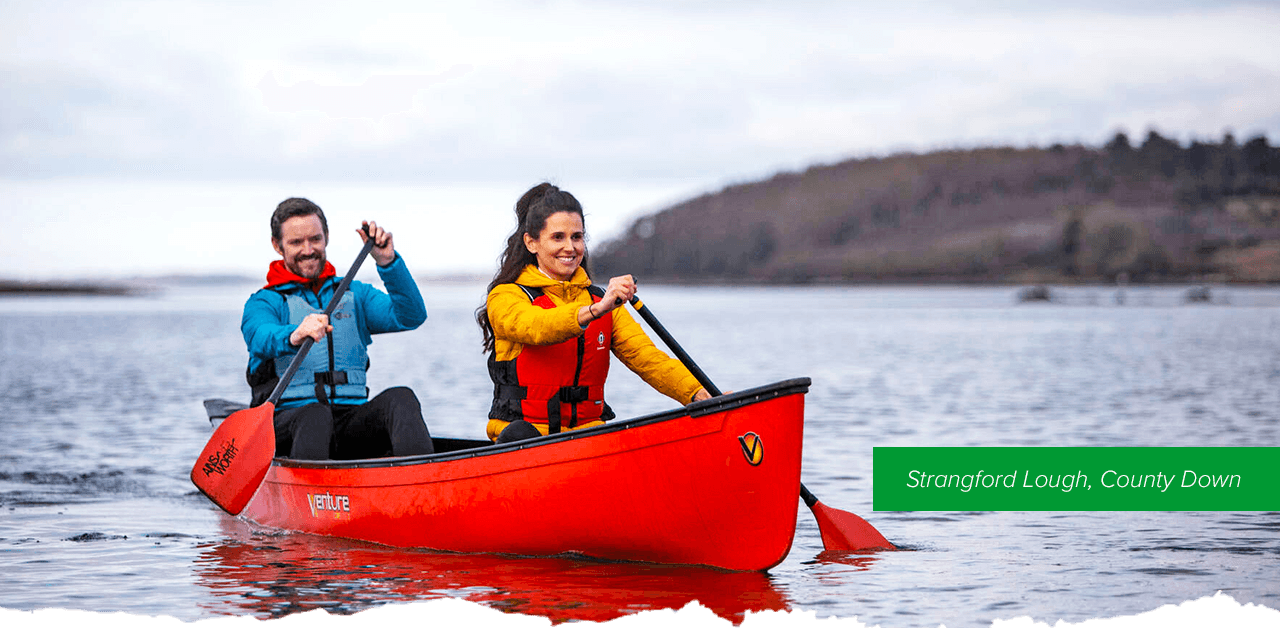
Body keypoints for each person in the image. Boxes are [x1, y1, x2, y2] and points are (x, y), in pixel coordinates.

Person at [476, 183, 712, 443]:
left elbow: (649, 360)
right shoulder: (506, 296)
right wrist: (594, 311)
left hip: (588, 439)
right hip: (526, 442)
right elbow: (537, 326)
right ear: (532, 243)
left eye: (576, 237)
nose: (570, 247)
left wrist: (699, 394)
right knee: (521, 433)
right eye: (558, 237)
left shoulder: (603, 302)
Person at [242, 197, 434, 459]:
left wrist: (388, 263)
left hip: (349, 420)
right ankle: (308, 495)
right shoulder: (264, 302)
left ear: (327, 237)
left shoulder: (355, 294)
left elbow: (411, 316)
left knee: (400, 399)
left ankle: (419, 487)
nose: (308, 249)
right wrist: (294, 334)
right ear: (277, 246)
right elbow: (259, 336)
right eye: (296, 242)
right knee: (315, 416)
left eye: (315, 239)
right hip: (290, 424)